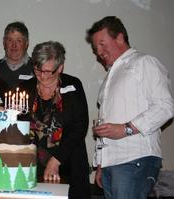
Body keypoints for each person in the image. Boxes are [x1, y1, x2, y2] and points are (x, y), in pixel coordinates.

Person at [86, 16, 174, 199]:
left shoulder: (144, 62)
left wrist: (126, 128)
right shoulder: (111, 76)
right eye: (96, 48)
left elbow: (166, 106)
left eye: (102, 44)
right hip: (112, 164)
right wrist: (101, 164)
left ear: (119, 37)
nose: (99, 52)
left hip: (135, 158)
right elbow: (107, 125)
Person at [20, 41, 91, 199]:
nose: (42, 75)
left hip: (69, 166)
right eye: (38, 70)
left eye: (48, 71)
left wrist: (56, 161)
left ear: (60, 68)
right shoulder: (26, 88)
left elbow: (80, 127)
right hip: (32, 169)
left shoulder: (73, 86)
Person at [0, 21, 34, 89]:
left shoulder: (37, 69)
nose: (14, 45)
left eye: (19, 41)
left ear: (26, 44)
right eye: (10, 40)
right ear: (4, 43)